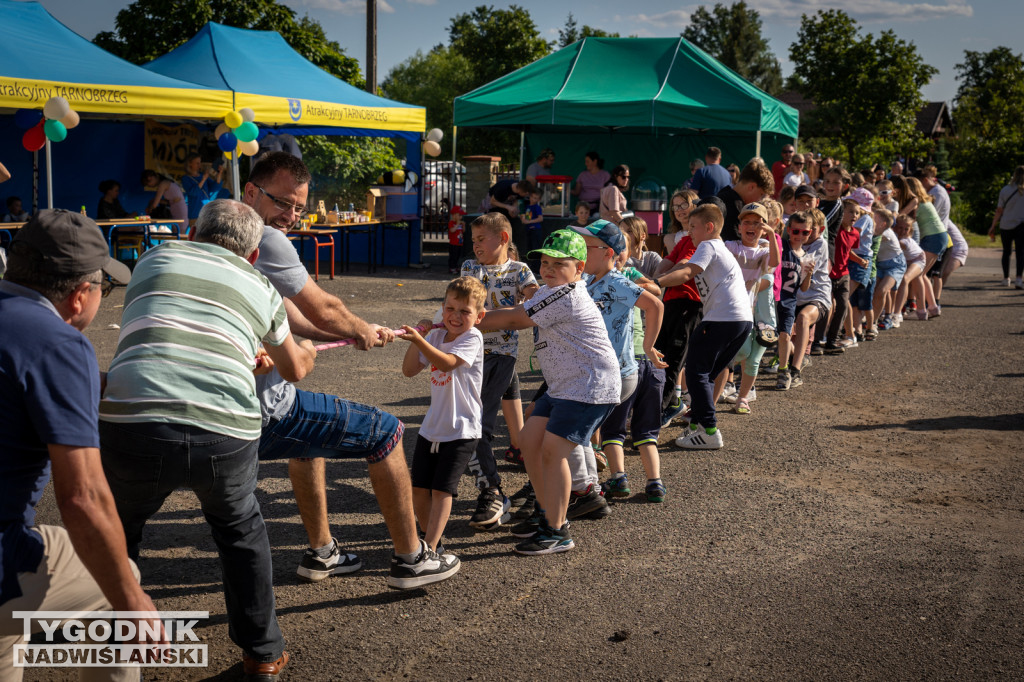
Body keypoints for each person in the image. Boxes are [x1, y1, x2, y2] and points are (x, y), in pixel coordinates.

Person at [99, 200, 315, 679]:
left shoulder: (154, 258)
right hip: (224, 430)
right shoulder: (261, 285)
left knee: (117, 525)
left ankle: (115, 641)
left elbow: (179, 319)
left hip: (136, 418)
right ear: (255, 256)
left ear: (194, 235)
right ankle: (263, 654)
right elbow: (294, 368)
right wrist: (306, 351)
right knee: (240, 531)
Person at [242, 152, 451, 589]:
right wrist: (354, 327)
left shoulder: (206, 238)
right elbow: (324, 307)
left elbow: (294, 315)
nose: (291, 216)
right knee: (387, 431)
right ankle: (413, 560)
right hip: (256, 410)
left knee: (311, 440)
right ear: (250, 192)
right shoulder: (266, 239)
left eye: (299, 207)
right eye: (282, 202)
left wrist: (359, 331)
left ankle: (323, 553)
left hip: (205, 407)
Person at [0, 210, 153, 682]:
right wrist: (133, 603)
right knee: (118, 577)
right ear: (79, 295)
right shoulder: (61, 344)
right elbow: (81, 498)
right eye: (102, 289)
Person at [480, 230, 620, 555]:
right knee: (529, 441)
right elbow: (522, 308)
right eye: (545, 262)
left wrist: (467, 321)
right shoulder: (549, 291)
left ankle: (556, 531)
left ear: (579, 268)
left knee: (552, 451)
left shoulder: (567, 294)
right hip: (563, 386)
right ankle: (548, 512)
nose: (549, 269)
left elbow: (517, 319)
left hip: (589, 386)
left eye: (559, 263)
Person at [400, 276, 487, 569]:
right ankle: (429, 540)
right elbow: (409, 370)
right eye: (450, 309)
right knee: (418, 489)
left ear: (479, 316)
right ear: (442, 308)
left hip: (461, 428)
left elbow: (447, 363)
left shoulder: (472, 338)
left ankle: (431, 549)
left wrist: (420, 339)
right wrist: (421, 336)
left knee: (441, 490)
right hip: (431, 428)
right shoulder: (435, 337)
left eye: (465, 311)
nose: (456, 316)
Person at [460, 212, 538, 530]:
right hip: (470, 356)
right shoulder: (470, 268)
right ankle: (530, 487)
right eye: (473, 239)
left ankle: (492, 492)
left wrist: (495, 316)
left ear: (503, 239)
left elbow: (536, 304)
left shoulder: (519, 271)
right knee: (510, 436)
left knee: (476, 428)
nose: (475, 245)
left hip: (500, 357)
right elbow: (461, 306)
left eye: (481, 239)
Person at [654, 204, 753, 450]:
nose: (690, 233)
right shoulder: (719, 248)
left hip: (722, 318)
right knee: (705, 375)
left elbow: (687, 272)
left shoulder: (708, 245)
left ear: (709, 227)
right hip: (741, 321)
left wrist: (655, 284)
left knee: (696, 372)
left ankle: (709, 431)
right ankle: (698, 425)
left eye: (693, 227)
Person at [722, 203, 780, 413]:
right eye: (746, 222)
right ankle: (721, 378)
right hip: (740, 311)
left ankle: (743, 398)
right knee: (743, 351)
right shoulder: (732, 246)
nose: (751, 227)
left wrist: (772, 235)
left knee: (754, 360)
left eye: (757, 223)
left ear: (764, 227)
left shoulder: (764, 250)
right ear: (739, 226)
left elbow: (774, 262)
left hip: (762, 315)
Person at [824, 197, 871, 353]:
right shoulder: (835, 230)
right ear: (841, 213)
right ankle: (822, 336)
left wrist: (859, 260)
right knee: (829, 305)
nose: (854, 216)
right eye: (850, 212)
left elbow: (848, 251)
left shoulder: (855, 234)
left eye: (857, 213)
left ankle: (835, 337)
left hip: (844, 273)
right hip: (829, 272)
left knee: (843, 305)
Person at [717, 159, 775, 241]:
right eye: (761, 195)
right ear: (751, 187)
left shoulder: (722, 194)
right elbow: (739, 247)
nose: (760, 200)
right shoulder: (735, 209)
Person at [989, 165, 1024, 289]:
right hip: (1021, 225)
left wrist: (993, 226)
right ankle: (1019, 279)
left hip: (1006, 224)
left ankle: (1006, 278)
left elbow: (999, 210)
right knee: (1020, 252)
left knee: (1006, 252)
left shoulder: (1005, 190)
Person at [181, 153, 224, 223]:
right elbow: (193, 192)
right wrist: (203, 180)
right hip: (195, 213)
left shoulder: (202, 175)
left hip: (206, 211)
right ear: (190, 164)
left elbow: (214, 188)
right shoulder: (186, 178)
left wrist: (219, 174)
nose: (199, 165)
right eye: (197, 163)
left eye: (200, 163)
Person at [664, 189, 698, 255]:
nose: (679, 209)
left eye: (684, 205)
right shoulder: (670, 238)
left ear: (694, 206)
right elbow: (677, 261)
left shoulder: (704, 234)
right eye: (676, 207)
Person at [522, 189, 545, 255]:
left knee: (535, 249)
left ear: (538, 200)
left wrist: (529, 222)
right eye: (532, 197)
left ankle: (536, 264)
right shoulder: (527, 206)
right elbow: (525, 217)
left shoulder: (537, 207)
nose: (532, 199)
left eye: (535, 198)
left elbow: (540, 218)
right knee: (529, 248)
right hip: (529, 230)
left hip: (535, 230)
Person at [448, 205, 466, 274]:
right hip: (453, 243)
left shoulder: (460, 224)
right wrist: (457, 224)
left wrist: (463, 225)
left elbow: (463, 231)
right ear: (454, 215)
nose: (461, 217)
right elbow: (452, 230)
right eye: (459, 215)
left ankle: (456, 266)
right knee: (453, 256)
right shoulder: (451, 223)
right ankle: (452, 267)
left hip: (459, 243)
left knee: (458, 256)